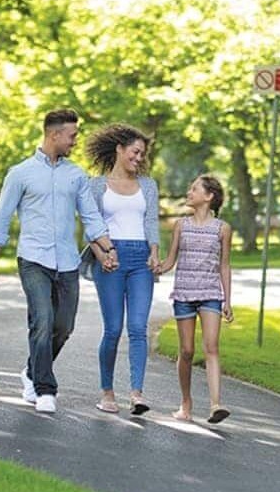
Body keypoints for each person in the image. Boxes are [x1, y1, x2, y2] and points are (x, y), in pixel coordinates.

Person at [0, 109, 117, 414]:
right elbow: (1, 219)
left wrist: (108, 249)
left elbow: (91, 217)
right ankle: (45, 389)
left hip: (67, 261)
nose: (75, 141)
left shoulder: (76, 175)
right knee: (41, 320)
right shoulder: (21, 173)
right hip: (33, 259)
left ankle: (32, 370)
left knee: (63, 326)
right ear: (54, 134)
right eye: (72, 135)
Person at [83, 124, 161, 415]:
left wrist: (154, 254)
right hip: (110, 258)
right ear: (119, 148)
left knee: (138, 328)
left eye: (142, 154)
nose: (139, 158)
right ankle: (107, 392)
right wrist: (102, 256)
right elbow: (91, 228)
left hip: (140, 259)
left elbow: (151, 222)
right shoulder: (95, 185)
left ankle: (137, 394)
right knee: (113, 329)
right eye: (134, 151)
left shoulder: (149, 186)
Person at [158, 174, 233, 424]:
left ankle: (215, 405)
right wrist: (155, 267)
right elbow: (171, 260)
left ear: (209, 196)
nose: (189, 193)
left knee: (211, 347)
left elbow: (224, 266)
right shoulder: (181, 225)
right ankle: (186, 403)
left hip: (211, 294)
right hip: (184, 294)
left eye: (194, 189)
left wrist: (227, 301)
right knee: (187, 350)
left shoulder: (222, 229)